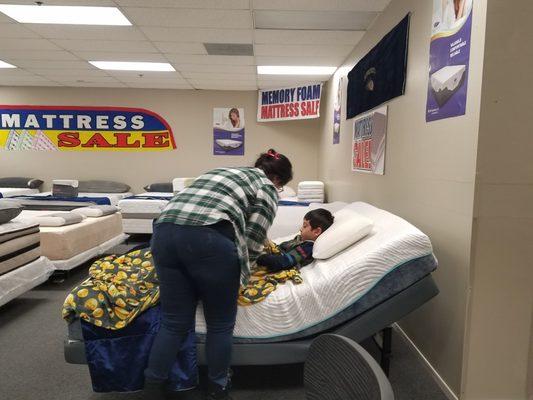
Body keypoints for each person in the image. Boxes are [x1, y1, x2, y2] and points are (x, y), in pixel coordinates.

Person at [143, 148, 292, 400]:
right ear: (278, 180)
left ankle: (151, 387)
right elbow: (254, 239)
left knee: (173, 322)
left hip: (163, 235)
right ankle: (217, 389)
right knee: (220, 324)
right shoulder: (266, 188)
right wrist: (245, 273)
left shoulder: (219, 171)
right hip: (209, 241)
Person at [256, 208, 334, 272]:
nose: (300, 229)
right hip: (276, 253)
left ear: (316, 231)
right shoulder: (302, 239)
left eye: (305, 226)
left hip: (274, 260)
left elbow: (285, 261)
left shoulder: (307, 248)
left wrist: (261, 258)